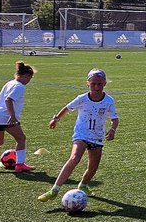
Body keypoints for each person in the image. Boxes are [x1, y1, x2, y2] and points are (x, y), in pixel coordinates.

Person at [39, 69, 119, 201]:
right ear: (88, 83)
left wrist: (112, 130)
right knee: (75, 158)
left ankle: (83, 185)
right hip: (81, 134)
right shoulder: (82, 99)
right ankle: (54, 190)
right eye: (93, 84)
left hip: (97, 136)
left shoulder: (109, 101)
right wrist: (56, 119)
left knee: (93, 167)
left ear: (105, 83)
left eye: (100, 84)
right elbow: (67, 108)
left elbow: (114, 118)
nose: (97, 87)